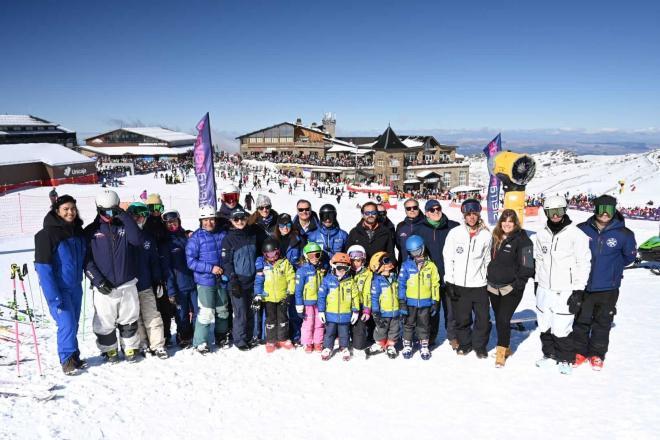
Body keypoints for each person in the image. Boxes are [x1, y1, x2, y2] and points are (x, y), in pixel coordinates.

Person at [574, 195, 637, 370]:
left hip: (609, 288)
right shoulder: (581, 229)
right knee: (581, 320)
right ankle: (579, 352)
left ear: (614, 210)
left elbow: (629, 257)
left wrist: (612, 270)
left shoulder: (624, 234)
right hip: (584, 285)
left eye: (608, 209)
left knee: (603, 322)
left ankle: (597, 354)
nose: (604, 213)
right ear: (595, 209)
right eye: (601, 208)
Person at [534, 195, 591, 375]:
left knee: (562, 327)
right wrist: (537, 282)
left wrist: (578, 290)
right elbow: (539, 259)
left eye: (559, 211)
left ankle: (565, 358)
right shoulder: (542, 233)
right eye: (551, 212)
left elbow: (584, 263)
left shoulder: (576, 235)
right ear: (546, 213)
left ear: (565, 210)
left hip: (564, 289)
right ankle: (549, 354)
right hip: (544, 287)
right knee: (544, 324)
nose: (555, 215)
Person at [84, 190, 143, 363]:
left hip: (127, 283)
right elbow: (86, 261)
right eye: (104, 212)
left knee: (129, 317)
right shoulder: (91, 232)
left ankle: (130, 348)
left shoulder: (125, 227)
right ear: (98, 209)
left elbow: (137, 240)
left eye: (113, 211)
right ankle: (110, 351)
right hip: (104, 287)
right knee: (104, 321)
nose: (109, 216)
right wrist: (97, 280)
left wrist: (124, 216)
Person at [34, 195, 87, 374]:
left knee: (74, 323)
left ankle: (74, 356)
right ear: (57, 211)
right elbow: (43, 269)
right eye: (66, 209)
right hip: (58, 288)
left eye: (72, 208)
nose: (70, 212)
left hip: (75, 287)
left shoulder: (78, 232)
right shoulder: (46, 235)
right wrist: (53, 296)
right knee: (66, 323)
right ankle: (66, 360)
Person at [443, 199, 492, 359]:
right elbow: (448, 257)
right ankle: (465, 344)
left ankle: (480, 346)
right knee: (462, 319)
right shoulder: (455, 233)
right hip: (459, 285)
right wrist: (449, 281)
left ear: (478, 215)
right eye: (468, 214)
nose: (471, 217)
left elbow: (487, 260)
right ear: (464, 215)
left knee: (483, 320)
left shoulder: (486, 235)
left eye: (474, 214)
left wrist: (486, 279)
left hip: (479, 285)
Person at [486, 209, 535, 367]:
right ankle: (505, 346)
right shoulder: (495, 237)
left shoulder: (524, 240)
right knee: (500, 319)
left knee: (503, 318)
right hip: (493, 287)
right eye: (504, 221)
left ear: (515, 223)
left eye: (510, 222)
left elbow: (527, 267)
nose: (507, 224)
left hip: (511, 288)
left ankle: (501, 351)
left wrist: (517, 286)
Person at [413, 199, 459, 349]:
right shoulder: (419, 229)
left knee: (451, 310)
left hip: (450, 276)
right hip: (430, 278)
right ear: (426, 213)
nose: (436, 211)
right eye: (431, 210)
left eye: (437, 208)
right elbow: (412, 251)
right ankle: (430, 337)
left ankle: (453, 337)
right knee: (432, 310)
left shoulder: (453, 227)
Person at [186, 205, 231, 354]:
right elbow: (191, 262)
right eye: (205, 220)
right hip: (205, 281)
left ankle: (221, 336)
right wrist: (210, 268)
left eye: (211, 219)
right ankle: (200, 342)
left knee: (223, 311)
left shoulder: (222, 234)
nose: (209, 223)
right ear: (201, 221)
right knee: (206, 312)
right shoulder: (195, 238)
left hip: (221, 279)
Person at [127, 202, 168, 359]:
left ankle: (157, 345)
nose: (139, 218)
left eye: (142, 215)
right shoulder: (124, 236)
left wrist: (157, 280)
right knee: (135, 317)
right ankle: (142, 344)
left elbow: (154, 261)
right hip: (129, 285)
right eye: (136, 215)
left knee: (152, 314)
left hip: (146, 283)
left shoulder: (148, 238)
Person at [399, 235, 441, 360]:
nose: (415, 254)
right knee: (408, 324)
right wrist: (402, 301)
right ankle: (407, 344)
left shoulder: (431, 266)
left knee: (424, 325)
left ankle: (424, 345)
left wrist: (435, 301)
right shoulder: (406, 266)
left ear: (422, 249)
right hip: (410, 302)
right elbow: (401, 284)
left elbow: (435, 284)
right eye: (412, 252)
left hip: (425, 302)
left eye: (417, 251)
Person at [221, 207, 257, 351]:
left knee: (250, 311)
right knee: (240, 312)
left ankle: (248, 337)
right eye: (236, 219)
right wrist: (233, 279)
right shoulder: (229, 239)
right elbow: (226, 262)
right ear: (231, 221)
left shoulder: (252, 235)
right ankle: (240, 340)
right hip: (238, 282)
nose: (240, 221)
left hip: (252, 280)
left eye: (242, 218)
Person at [161, 209, 197, 348]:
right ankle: (184, 335)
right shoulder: (166, 243)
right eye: (169, 223)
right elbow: (167, 270)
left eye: (174, 222)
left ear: (179, 221)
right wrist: (170, 290)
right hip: (178, 286)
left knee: (197, 312)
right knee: (181, 315)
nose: (172, 225)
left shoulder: (187, 237)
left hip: (193, 283)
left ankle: (195, 333)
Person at [254, 238, 296, 353]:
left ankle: (283, 338)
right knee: (270, 320)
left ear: (278, 252)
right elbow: (258, 281)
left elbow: (291, 278)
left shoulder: (285, 263)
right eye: (269, 254)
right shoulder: (262, 266)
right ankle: (271, 340)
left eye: (274, 253)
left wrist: (290, 293)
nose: (272, 256)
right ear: (264, 254)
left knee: (283, 318)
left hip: (283, 297)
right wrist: (258, 295)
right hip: (268, 298)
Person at [143, 192, 174, 346]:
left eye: (159, 207)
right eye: (152, 207)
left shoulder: (163, 225)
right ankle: (152, 338)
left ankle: (166, 335)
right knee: (151, 309)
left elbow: (174, 235)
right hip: (149, 273)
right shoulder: (144, 226)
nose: (156, 211)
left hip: (164, 272)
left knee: (165, 308)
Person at [317, 252, 359, 361]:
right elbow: (321, 296)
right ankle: (327, 347)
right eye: (340, 267)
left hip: (345, 314)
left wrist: (355, 311)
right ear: (333, 266)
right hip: (331, 314)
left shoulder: (350, 282)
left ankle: (344, 347)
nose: (342, 270)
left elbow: (355, 297)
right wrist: (321, 311)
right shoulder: (327, 280)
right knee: (329, 332)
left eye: (346, 268)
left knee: (344, 332)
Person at [273, 213, 305, 344]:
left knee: (293, 307)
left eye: (288, 225)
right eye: (282, 225)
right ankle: (274, 335)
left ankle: (296, 335)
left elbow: (304, 258)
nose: (285, 228)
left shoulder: (298, 239)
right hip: (278, 277)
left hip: (293, 276)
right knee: (276, 307)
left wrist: (299, 266)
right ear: (278, 226)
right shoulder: (273, 240)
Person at [366, 251, 400, 359]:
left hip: (395, 311)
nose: (389, 262)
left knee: (394, 329)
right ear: (378, 266)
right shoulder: (377, 281)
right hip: (383, 312)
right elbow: (375, 298)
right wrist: (375, 312)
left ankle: (390, 345)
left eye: (388, 259)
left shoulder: (395, 278)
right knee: (381, 329)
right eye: (386, 261)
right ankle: (380, 344)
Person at [294, 242, 327, 353]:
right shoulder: (302, 270)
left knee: (319, 323)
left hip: (320, 302)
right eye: (311, 256)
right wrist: (299, 305)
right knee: (308, 323)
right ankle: (307, 342)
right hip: (307, 303)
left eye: (317, 255)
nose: (314, 258)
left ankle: (318, 342)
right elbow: (298, 290)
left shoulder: (322, 268)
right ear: (306, 256)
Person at [346, 244, 373, 354]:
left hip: (360, 306)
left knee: (359, 345)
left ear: (363, 260)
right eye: (352, 260)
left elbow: (367, 293)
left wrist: (366, 309)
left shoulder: (367, 274)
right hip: (344, 306)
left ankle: (358, 336)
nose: (355, 263)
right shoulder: (344, 271)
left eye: (358, 260)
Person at [395, 198, 424, 264]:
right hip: (405, 266)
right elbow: (398, 245)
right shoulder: (400, 226)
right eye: (408, 208)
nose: (412, 210)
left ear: (418, 208)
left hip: (423, 266)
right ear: (405, 210)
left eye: (415, 207)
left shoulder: (426, 224)